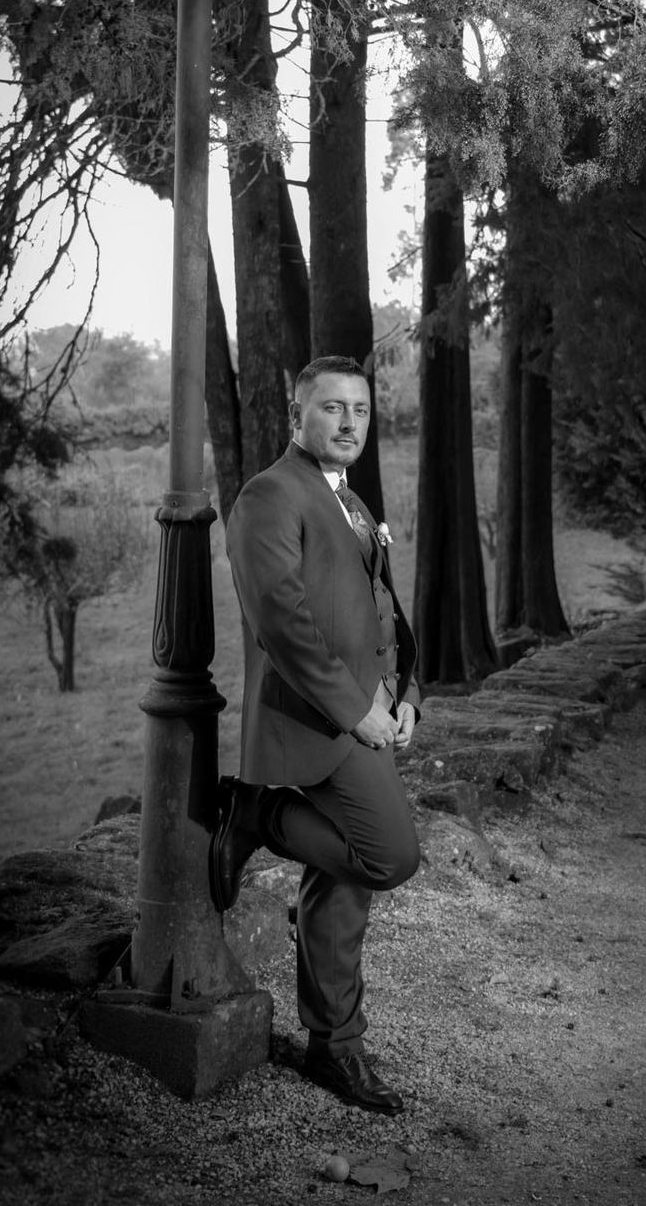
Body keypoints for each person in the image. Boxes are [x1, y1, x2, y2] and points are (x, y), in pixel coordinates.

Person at [213, 355, 422, 1113]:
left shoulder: (352, 501)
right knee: (388, 857)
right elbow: (283, 623)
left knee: (345, 880)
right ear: (296, 414)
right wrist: (353, 708)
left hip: (369, 712)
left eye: (360, 410)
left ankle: (334, 1046)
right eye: (332, 408)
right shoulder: (269, 494)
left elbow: (383, 607)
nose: (348, 423)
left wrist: (406, 694)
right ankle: (258, 813)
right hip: (314, 716)